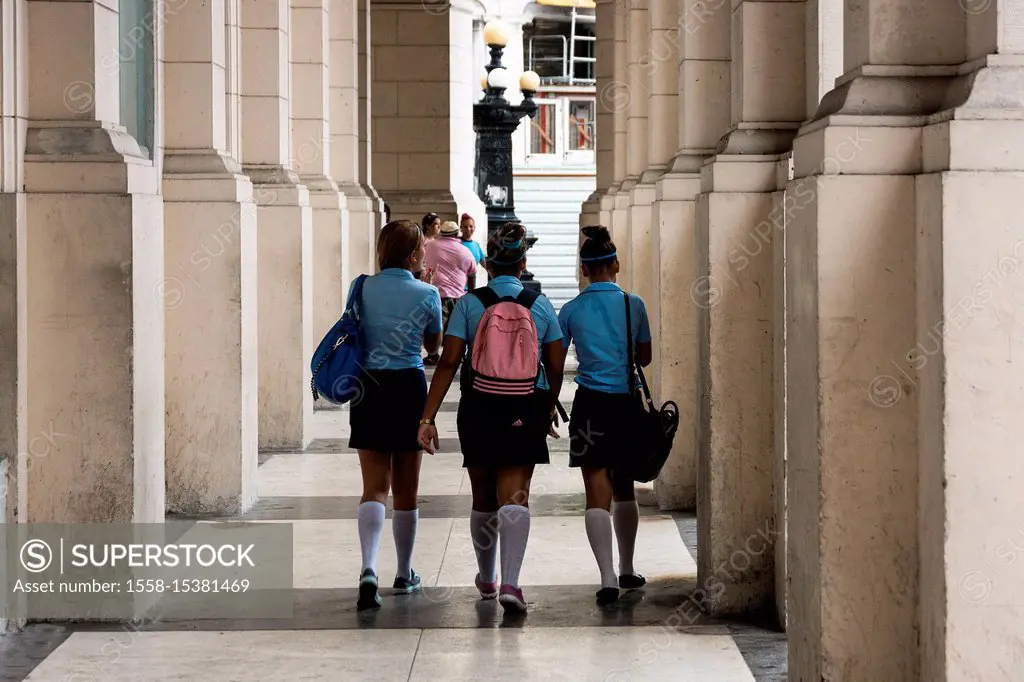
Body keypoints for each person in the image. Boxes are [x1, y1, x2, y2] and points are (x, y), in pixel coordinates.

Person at [417, 223, 565, 614]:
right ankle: (512, 584)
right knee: (516, 494)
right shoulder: (541, 304)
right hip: (524, 406)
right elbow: (555, 363)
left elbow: (448, 362)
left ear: (487, 265)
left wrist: (427, 416)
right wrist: (546, 406)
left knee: (483, 494)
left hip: (479, 406)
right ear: (523, 263)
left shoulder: (469, 304)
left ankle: (487, 578)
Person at [348, 219, 443, 611]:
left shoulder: (363, 287)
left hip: (367, 387)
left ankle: (368, 569)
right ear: (413, 255)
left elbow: (355, 332)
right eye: (421, 247)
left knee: (373, 485)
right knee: (406, 488)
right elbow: (433, 344)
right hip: (408, 387)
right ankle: (404, 573)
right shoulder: (428, 293)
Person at [557, 225, 651, 606]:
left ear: (584, 270)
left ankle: (608, 577)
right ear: (616, 265)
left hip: (590, 405)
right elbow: (644, 358)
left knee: (596, 492)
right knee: (625, 486)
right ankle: (628, 568)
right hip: (626, 403)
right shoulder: (635, 304)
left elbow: (555, 356)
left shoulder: (572, 310)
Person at [425, 220, 477, 334]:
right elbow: (472, 275)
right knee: (454, 334)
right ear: (456, 234)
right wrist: (471, 296)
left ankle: (432, 351)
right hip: (456, 298)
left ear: (441, 233)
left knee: (435, 331)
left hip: (434, 295)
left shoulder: (429, 246)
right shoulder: (465, 251)